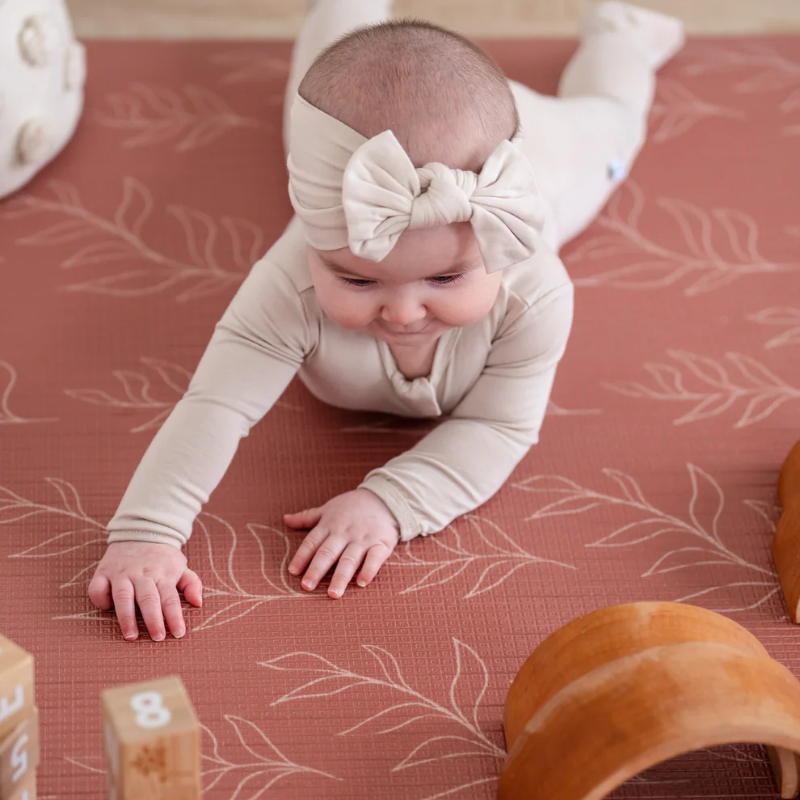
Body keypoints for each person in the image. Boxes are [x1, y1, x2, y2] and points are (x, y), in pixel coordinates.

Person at [87, 0, 685, 641]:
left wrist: (389, 503)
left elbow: (498, 425)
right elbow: (216, 404)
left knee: (613, 124)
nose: (403, 313)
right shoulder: (289, 282)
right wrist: (148, 532)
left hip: (536, 152)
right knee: (314, 86)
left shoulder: (533, 293)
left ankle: (621, 35)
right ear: (315, 240)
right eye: (358, 278)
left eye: (447, 278)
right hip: (361, 166)